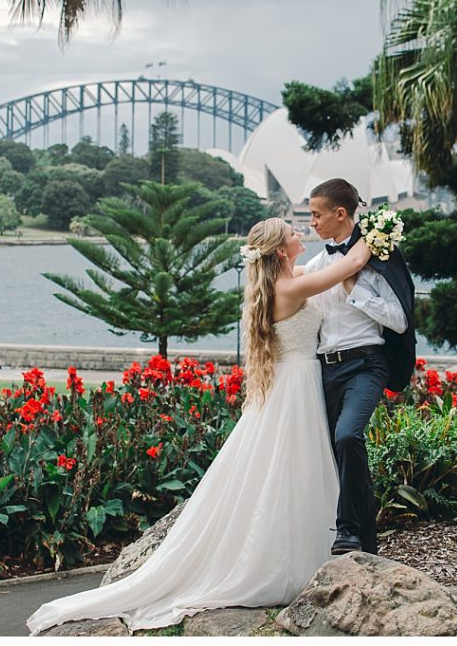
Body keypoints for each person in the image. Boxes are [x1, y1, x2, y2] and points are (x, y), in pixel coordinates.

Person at [26, 217, 372, 635]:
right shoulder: (289, 288)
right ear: (280, 250)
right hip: (296, 387)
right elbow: (347, 266)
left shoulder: (287, 279)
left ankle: (303, 553)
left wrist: (343, 243)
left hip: (292, 385)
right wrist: (376, 234)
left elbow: (325, 262)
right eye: (294, 233)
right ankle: (288, 562)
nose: (302, 234)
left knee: (288, 470)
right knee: (290, 468)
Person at [303, 178, 416, 556]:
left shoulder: (378, 265)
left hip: (367, 364)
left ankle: (347, 529)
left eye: (317, 215)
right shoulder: (317, 266)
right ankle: (365, 544)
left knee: (348, 436)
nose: (312, 223)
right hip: (325, 369)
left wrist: (357, 292)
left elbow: (400, 321)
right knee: (338, 454)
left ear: (340, 213)